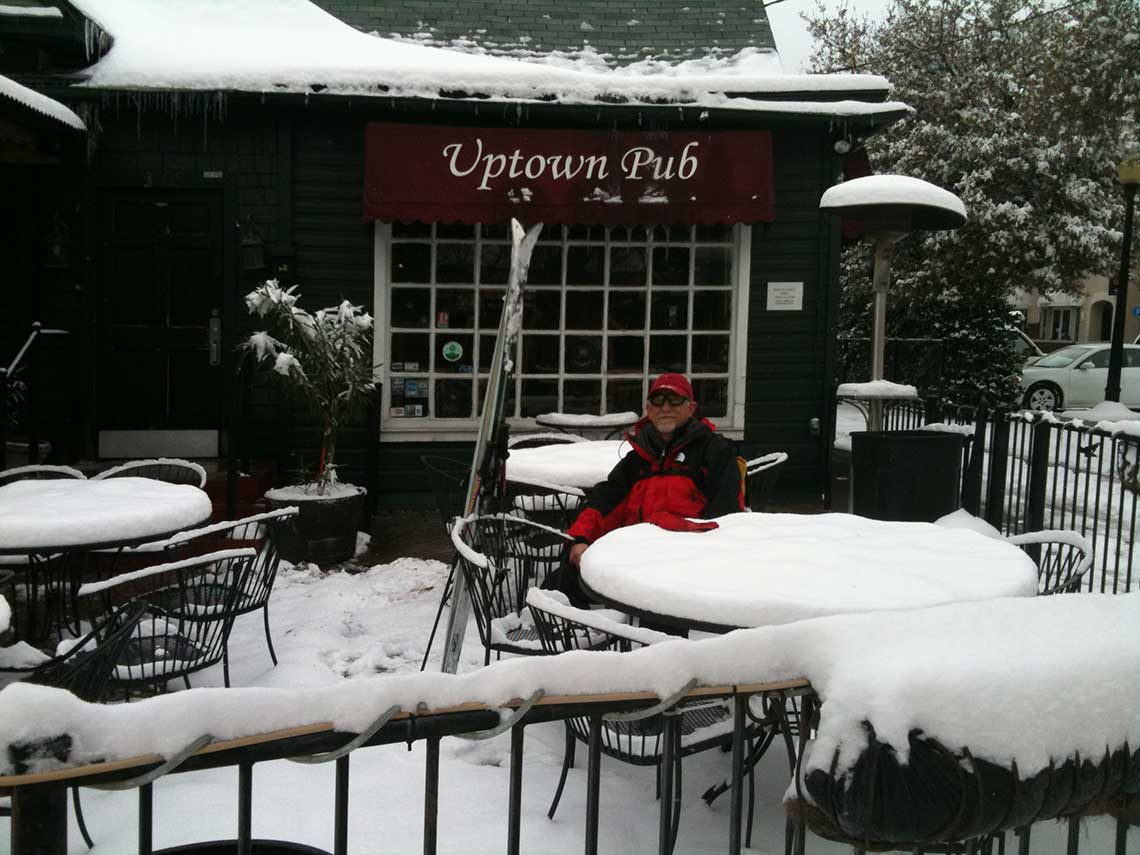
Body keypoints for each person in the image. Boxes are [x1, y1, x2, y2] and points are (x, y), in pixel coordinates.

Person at [549, 373, 744, 606]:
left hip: (690, 561)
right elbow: (604, 501)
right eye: (658, 401)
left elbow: (727, 515)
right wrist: (580, 539)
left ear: (691, 408)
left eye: (675, 400)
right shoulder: (637, 459)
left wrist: (665, 529)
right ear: (648, 409)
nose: (666, 408)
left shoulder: (714, 451)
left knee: (659, 606)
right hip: (634, 558)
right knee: (559, 582)